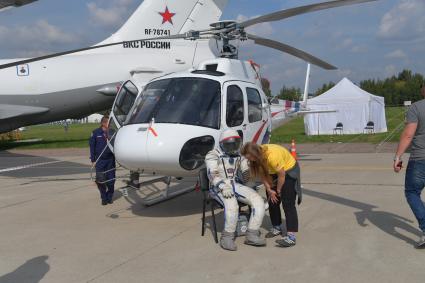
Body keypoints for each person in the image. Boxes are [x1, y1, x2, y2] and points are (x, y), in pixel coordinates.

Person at [205, 129, 266, 251]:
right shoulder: (213, 155)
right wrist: (222, 186)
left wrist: (251, 183)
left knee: (258, 201)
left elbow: (245, 173)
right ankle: (227, 237)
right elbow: (212, 174)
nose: (233, 147)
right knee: (232, 204)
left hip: (235, 184)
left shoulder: (240, 155)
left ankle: (252, 233)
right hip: (218, 186)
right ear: (222, 144)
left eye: (235, 144)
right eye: (229, 145)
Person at [241, 142, 302, 248]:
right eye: (248, 158)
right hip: (273, 171)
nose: (249, 160)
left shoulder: (272, 156)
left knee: (288, 203)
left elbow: (282, 175)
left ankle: (291, 236)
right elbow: (263, 174)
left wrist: (278, 190)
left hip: (288, 170)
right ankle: (277, 227)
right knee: (272, 201)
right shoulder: (256, 158)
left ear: (255, 153)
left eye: (250, 157)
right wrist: (269, 189)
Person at [394, 86, 425, 249]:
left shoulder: (416, 107)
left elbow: (408, 134)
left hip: (420, 159)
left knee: (412, 192)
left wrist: (398, 157)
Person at [89, 116, 116, 206]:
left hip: (110, 160)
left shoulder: (112, 132)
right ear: (103, 123)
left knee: (111, 180)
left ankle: (109, 196)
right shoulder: (96, 133)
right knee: (100, 181)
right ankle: (104, 198)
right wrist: (93, 160)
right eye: (109, 123)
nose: (110, 125)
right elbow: (92, 147)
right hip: (100, 161)